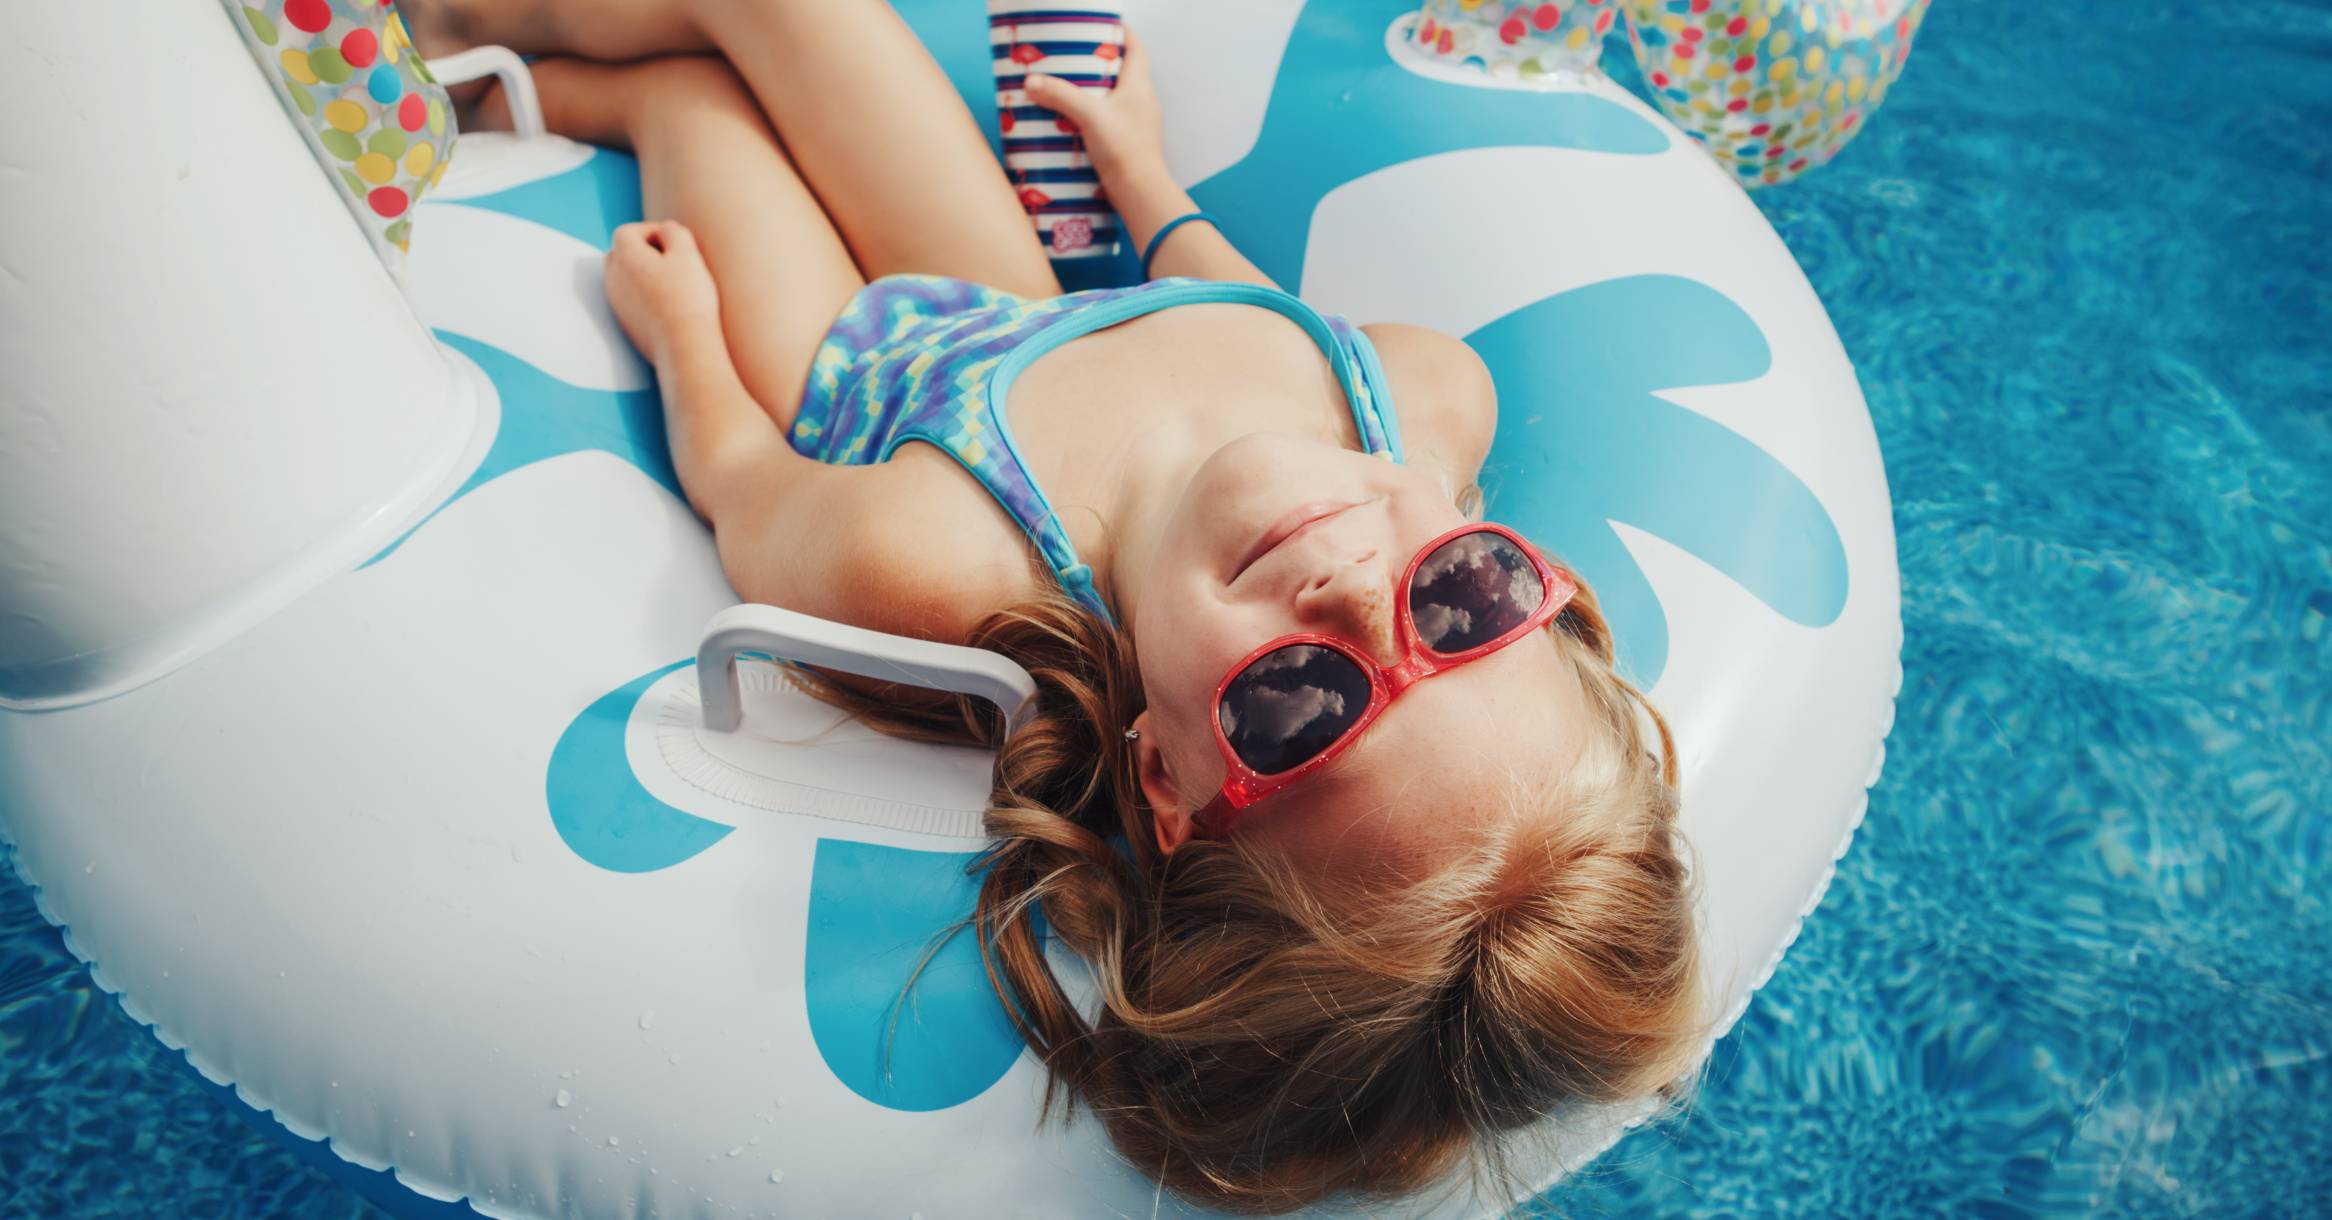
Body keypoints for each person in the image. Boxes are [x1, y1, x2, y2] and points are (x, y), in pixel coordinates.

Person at [409, 0, 1707, 1210]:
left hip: (870, 358)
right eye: (1464, 605)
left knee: (687, 100)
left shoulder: (937, 560)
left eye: (1302, 703)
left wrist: (683, 334)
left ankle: (438, 60)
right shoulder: (1415, 406)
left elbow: (749, 488)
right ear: (1534, 575)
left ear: (1162, 778)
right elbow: (1259, 307)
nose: (1356, 589)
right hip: (1018, 301)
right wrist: (1144, 181)